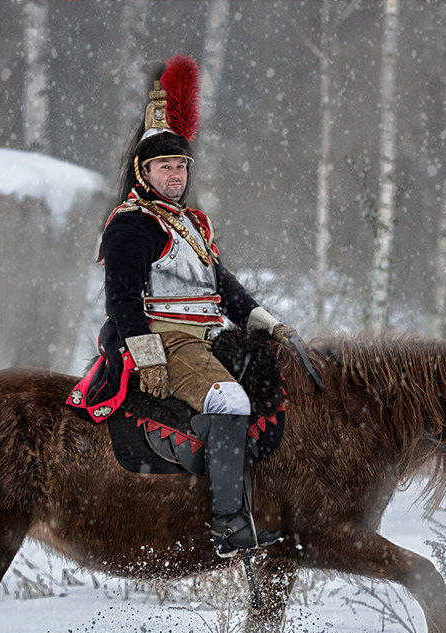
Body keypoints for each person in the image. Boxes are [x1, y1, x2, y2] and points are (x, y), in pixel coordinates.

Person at [66, 54, 298, 557]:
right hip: (167, 340)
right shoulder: (132, 223)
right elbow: (122, 299)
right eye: (165, 166)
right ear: (144, 170)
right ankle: (227, 523)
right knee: (232, 402)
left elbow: (225, 287)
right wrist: (147, 354)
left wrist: (271, 325)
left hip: (210, 335)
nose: (175, 174)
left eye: (180, 166)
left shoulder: (192, 222)